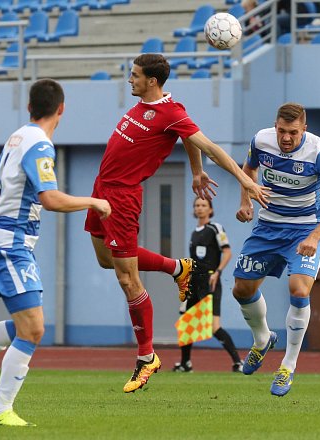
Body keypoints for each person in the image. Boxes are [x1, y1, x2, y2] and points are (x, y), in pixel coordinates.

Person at [84, 53, 269, 394]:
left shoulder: (172, 112)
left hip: (123, 198)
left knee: (128, 279)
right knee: (105, 259)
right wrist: (196, 171)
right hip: (101, 188)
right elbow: (187, 142)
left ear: (152, 81)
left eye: (135, 75)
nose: (130, 80)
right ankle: (178, 269)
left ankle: (146, 356)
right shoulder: (148, 109)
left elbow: (209, 146)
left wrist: (245, 180)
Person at [0, 79, 111, 427]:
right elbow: (50, 198)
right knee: (33, 329)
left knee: (25, 325)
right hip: (9, 247)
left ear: (30, 108)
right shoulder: (40, 146)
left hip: (5, 244)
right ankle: (1, 409)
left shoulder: (16, 138)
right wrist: (93, 201)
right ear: (61, 110)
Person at [231, 102, 320, 397]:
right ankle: (262, 339)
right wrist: (245, 201)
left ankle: (287, 366)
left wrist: (315, 236)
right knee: (241, 289)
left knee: (299, 289)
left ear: (303, 129)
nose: (285, 138)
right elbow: (248, 170)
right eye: (281, 131)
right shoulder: (261, 140)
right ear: (275, 126)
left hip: (304, 230)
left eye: (293, 132)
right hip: (268, 227)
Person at [173, 197, 243, 373]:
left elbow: (227, 252)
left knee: (214, 326)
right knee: (186, 322)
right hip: (193, 282)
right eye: (197, 205)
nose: (200, 208)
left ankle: (238, 362)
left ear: (210, 210)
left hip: (210, 281)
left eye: (203, 205)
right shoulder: (194, 232)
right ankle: (185, 364)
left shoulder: (215, 228)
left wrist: (218, 271)